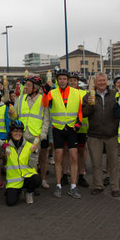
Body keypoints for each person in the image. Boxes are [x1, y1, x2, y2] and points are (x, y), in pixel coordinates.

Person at [42, 69, 82, 198]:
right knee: (58, 157)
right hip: (57, 128)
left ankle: (73, 186)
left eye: (65, 79)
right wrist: (45, 92)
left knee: (74, 157)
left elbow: (80, 110)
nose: (62, 81)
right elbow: (44, 104)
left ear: (68, 80)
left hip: (71, 129)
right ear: (57, 80)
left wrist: (78, 123)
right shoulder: (52, 92)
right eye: (60, 79)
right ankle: (58, 185)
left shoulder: (76, 93)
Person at [82, 72, 120, 197]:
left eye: (104, 80)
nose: (102, 83)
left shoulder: (114, 95)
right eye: (99, 81)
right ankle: (98, 185)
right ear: (95, 83)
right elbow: (85, 113)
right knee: (96, 163)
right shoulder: (88, 96)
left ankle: (115, 187)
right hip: (95, 134)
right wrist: (89, 104)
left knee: (113, 163)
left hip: (112, 134)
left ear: (107, 82)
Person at [15, 75, 50, 191]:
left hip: (36, 136)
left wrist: (43, 134)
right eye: (26, 85)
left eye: (29, 85)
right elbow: (15, 116)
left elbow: (46, 119)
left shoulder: (43, 99)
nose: (27, 87)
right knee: (21, 160)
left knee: (33, 162)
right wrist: (11, 114)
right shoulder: (20, 99)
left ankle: (32, 187)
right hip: (22, 135)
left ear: (35, 87)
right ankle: (22, 184)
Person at [2, 120, 42, 205]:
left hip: (27, 177)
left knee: (37, 179)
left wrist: (34, 154)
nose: (18, 133)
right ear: (11, 132)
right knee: (10, 203)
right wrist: (3, 149)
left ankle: (29, 192)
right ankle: (18, 191)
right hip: (14, 181)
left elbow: (32, 165)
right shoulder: (6, 145)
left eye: (20, 131)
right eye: (15, 131)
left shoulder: (29, 145)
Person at [63, 71, 90, 188]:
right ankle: (64, 175)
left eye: (75, 80)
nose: (73, 82)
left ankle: (81, 175)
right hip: (66, 127)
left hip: (81, 128)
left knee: (81, 151)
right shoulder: (63, 93)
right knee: (65, 151)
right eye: (71, 80)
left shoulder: (84, 93)